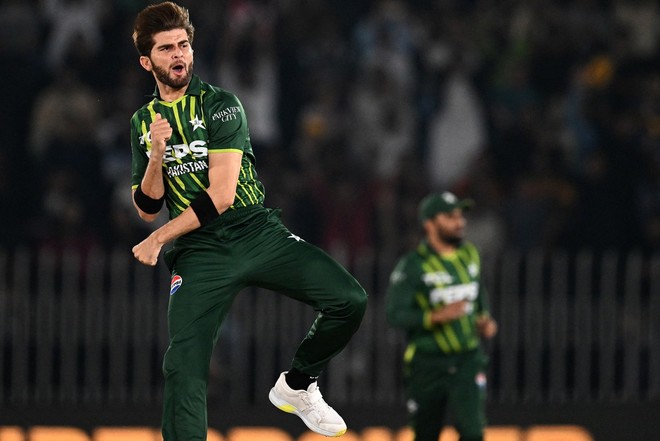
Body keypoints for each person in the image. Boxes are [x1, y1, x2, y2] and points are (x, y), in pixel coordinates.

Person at [128, 3, 367, 440]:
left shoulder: (221, 106)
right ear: (147, 62)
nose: (178, 54)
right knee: (184, 363)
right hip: (199, 251)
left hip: (253, 230)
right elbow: (146, 206)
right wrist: (157, 156)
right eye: (166, 48)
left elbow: (221, 196)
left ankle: (297, 386)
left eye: (183, 45)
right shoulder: (143, 123)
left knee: (348, 299)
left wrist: (158, 237)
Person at [385, 191, 497, 441]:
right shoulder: (413, 265)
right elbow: (395, 314)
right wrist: (434, 317)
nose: (459, 222)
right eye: (450, 216)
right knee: (426, 435)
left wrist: (485, 318)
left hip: (467, 359)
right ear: (429, 224)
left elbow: (478, 292)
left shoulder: (470, 255)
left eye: (460, 216)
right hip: (427, 362)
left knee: (473, 433)